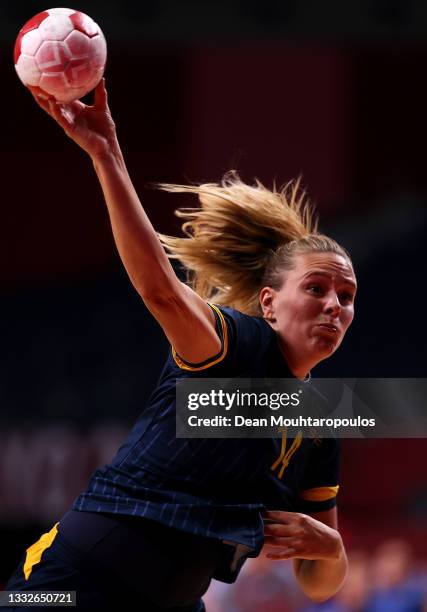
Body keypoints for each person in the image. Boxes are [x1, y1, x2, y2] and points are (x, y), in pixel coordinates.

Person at [5, 80, 355, 610]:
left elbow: (319, 584)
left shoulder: (321, 423)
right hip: (78, 576)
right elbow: (160, 290)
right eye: (317, 288)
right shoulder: (234, 343)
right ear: (267, 303)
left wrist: (331, 550)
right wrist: (106, 153)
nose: (335, 305)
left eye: (347, 296)